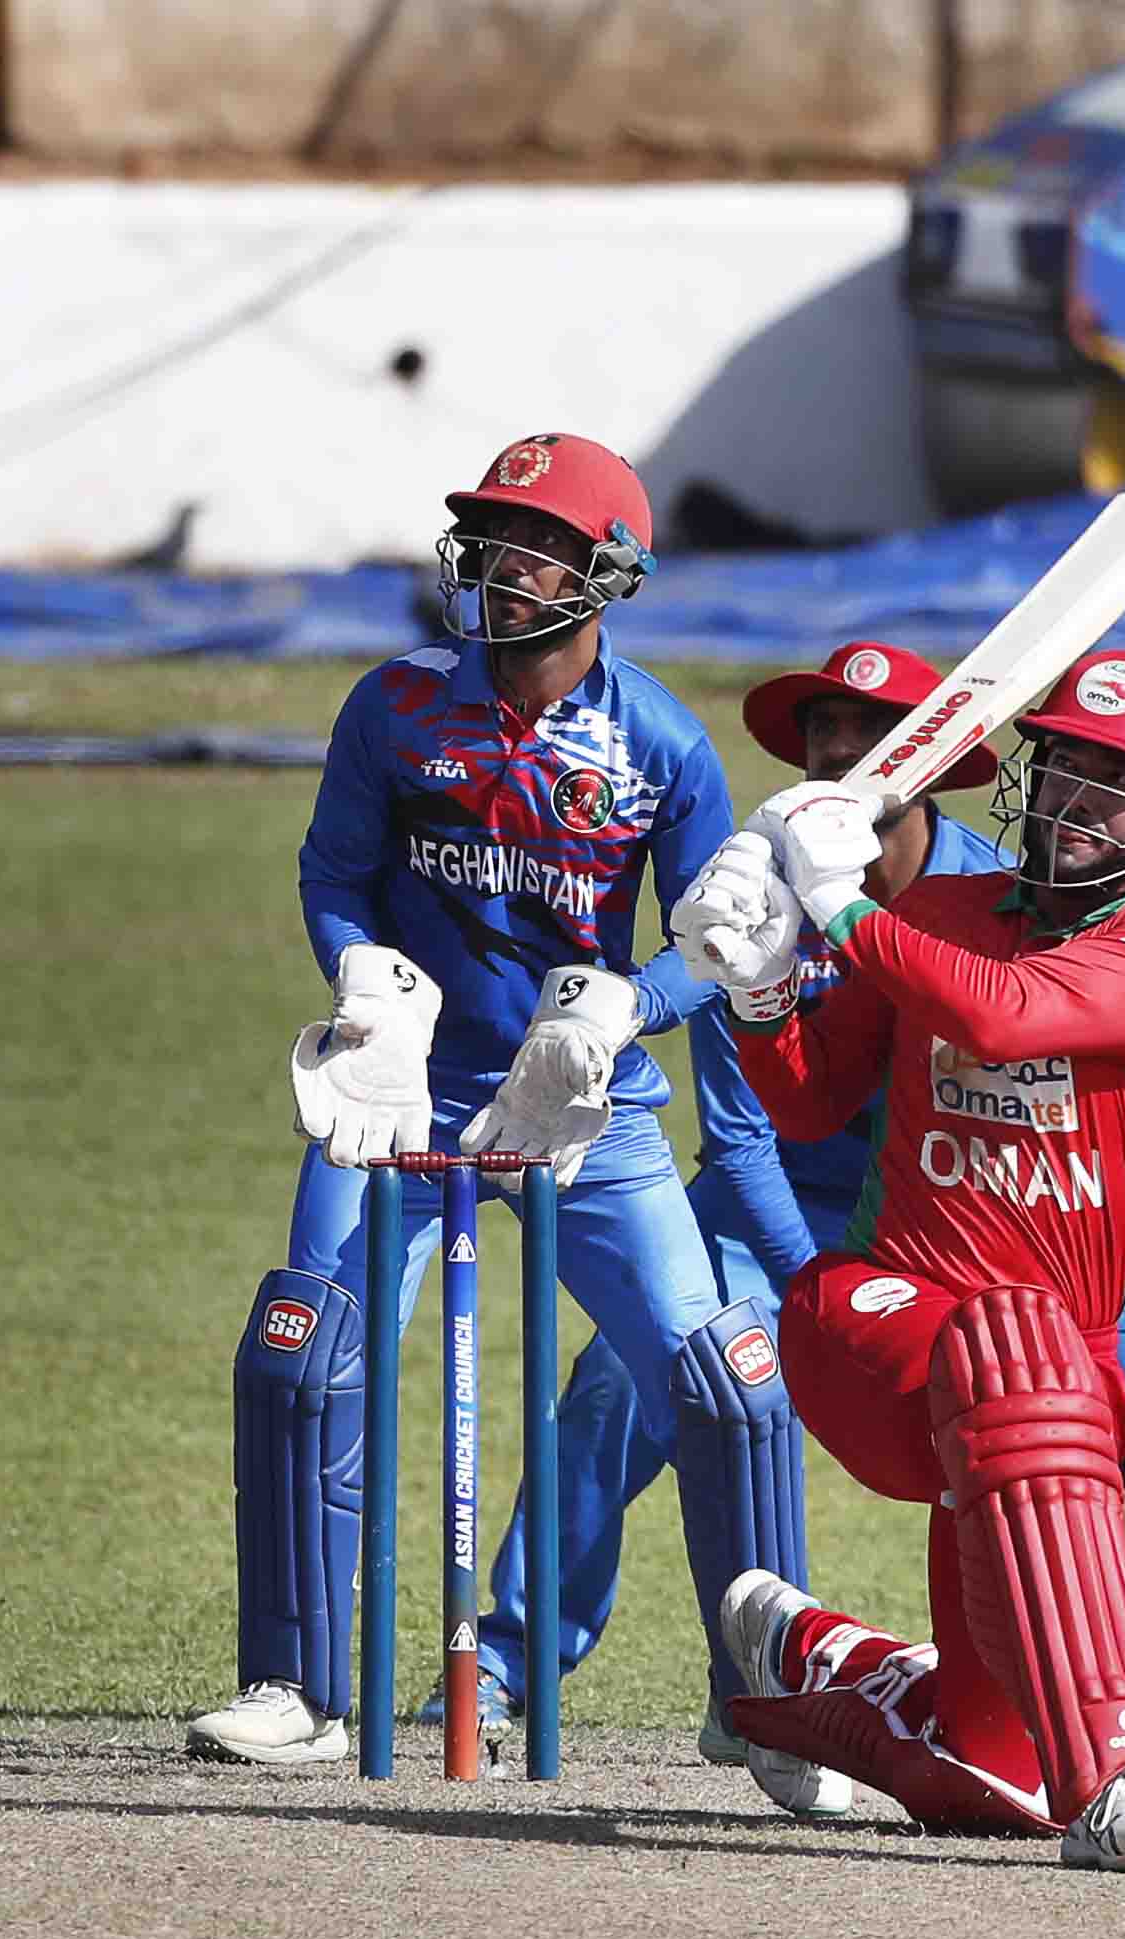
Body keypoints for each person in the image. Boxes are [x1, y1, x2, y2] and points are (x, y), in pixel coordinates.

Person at [183, 433, 836, 1816]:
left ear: (607, 574)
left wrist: (628, 1007)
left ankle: (769, 1713)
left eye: (531, 542)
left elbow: (715, 943)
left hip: (585, 1107)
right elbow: (334, 873)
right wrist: (361, 978)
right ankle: (298, 1688)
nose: (496, 564)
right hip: (404, 1087)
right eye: (486, 535)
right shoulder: (398, 702)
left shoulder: (656, 741)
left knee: (722, 1378)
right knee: (306, 1350)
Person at [671, 648, 1125, 1871]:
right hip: (878, 1317)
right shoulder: (937, 915)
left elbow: (1007, 1015)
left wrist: (837, 910)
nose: (1077, 800)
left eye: (1119, 783)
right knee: (1020, 1347)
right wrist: (760, 981)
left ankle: (819, 1667)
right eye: (1065, 767)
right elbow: (811, 1101)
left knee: (991, 1772)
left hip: (1041, 1412)